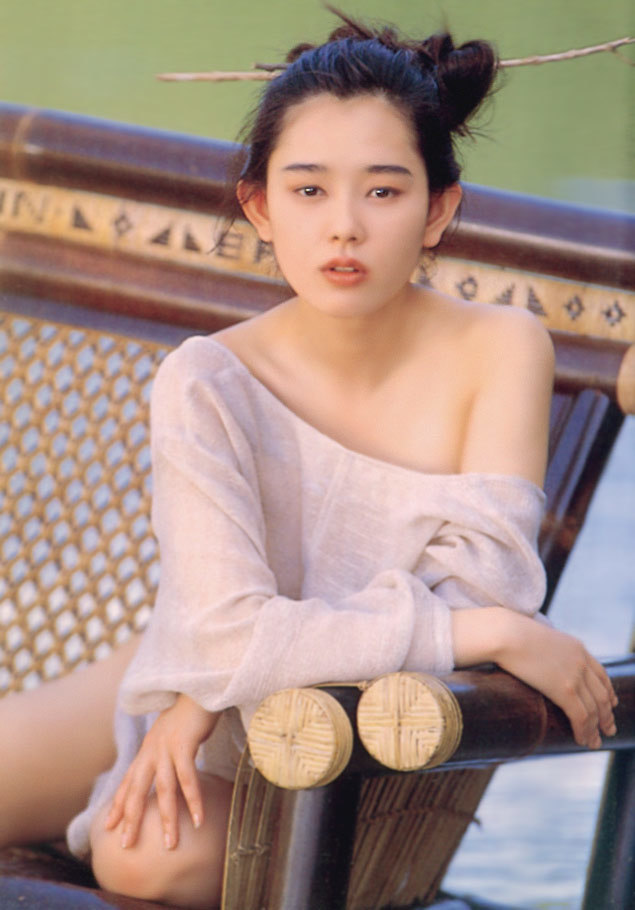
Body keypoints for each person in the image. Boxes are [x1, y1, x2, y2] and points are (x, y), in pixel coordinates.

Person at [0, 11, 618, 910]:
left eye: (382, 192)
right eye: (308, 190)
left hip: (339, 728)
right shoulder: (207, 378)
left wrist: (242, 662)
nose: (343, 230)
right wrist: (483, 634)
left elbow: (485, 588)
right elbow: (222, 635)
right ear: (259, 207)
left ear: (437, 211)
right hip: (179, 683)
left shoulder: (501, 348)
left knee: (147, 856)